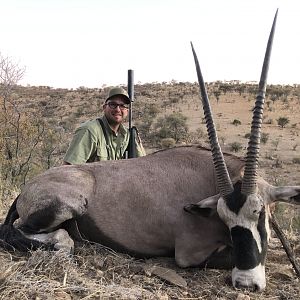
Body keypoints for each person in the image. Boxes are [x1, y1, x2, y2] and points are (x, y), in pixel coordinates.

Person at [63, 87, 146, 164]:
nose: (117, 109)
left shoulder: (127, 134)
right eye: (113, 104)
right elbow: (69, 170)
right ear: (104, 107)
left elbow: (143, 165)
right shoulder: (89, 131)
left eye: (122, 106)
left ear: (127, 111)